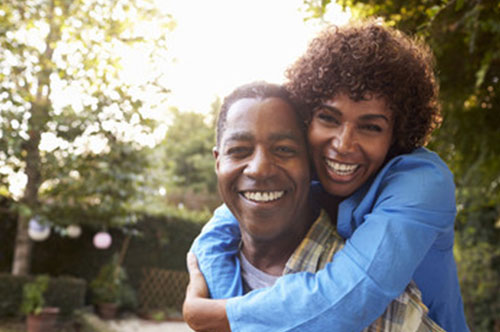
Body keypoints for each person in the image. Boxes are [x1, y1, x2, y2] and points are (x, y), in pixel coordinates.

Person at [185, 21, 469, 332]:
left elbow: (346, 302)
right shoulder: (311, 171)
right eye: (328, 118)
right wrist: (220, 298)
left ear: (396, 134)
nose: (343, 145)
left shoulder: (421, 183)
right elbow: (221, 228)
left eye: (370, 126)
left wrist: (211, 316)